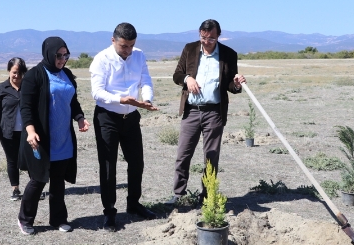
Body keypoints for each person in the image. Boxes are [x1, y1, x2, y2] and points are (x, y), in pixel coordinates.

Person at [17, 36, 90, 235]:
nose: (62, 59)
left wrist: (80, 118)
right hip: (41, 139)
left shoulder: (66, 73)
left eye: (66, 55)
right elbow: (26, 108)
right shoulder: (34, 76)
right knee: (39, 179)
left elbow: (72, 101)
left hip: (63, 138)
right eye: (59, 55)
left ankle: (58, 218)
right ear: (49, 53)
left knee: (58, 182)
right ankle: (25, 219)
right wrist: (30, 131)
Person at [168, 19, 246, 205]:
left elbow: (229, 85)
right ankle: (178, 194)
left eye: (211, 39)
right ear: (199, 34)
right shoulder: (190, 49)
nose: (206, 42)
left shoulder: (228, 54)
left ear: (218, 35)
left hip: (214, 112)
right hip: (191, 111)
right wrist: (188, 79)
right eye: (203, 38)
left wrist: (235, 85)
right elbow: (176, 75)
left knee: (211, 156)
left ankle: (207, 195)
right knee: (183, 154)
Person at [89, 22, 158, 232]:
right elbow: (97, 92)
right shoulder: (101, 59)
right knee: (109, 166)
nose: (127, 50)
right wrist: (121, 99)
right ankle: (109, 212)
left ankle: (134, 203)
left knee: (137, 162)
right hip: (107, 117)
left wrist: (147, 99)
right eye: (123, 46)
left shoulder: (139, 55)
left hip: (131, 117)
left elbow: (145, 79)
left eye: (131, 45)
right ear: (113, 41)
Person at [0, 57, 28, 201]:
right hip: (7, 131)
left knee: (29, 159)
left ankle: (32, 188)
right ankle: (15, 189)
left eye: (20, 73)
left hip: (27, 131)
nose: (17, 76)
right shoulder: (1, 88)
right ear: (9, 71)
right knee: (12, 160)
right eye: (14, 72)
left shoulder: (29, 86)